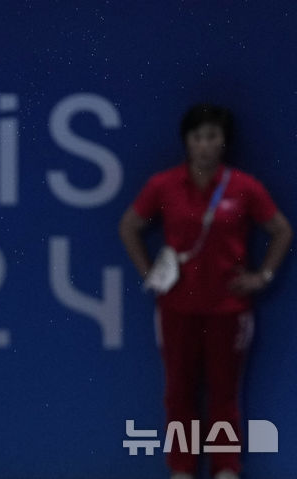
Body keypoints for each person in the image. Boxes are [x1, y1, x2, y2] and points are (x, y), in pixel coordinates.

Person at [119, 104, 292, 479]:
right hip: (177, 307)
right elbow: (129, 226)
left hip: (228, 309)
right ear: (186, 141)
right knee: (179, 391)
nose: (204, 145)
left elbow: (281, 230)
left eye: (212, 137)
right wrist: (149, 273)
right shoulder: (163, 185)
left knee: (224, 393)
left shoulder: (245, 188)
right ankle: (182, 469)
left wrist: (262, 276)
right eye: (197, 137)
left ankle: (225, 468)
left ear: (223, 141)